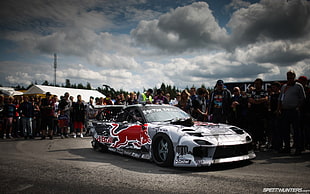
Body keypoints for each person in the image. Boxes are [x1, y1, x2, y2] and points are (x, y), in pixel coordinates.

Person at [277, 71, 306, 155]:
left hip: (294, 111)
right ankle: (287, 147)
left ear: (294, 76)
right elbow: (280, 98)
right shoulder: (284, 87)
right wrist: (279, 109)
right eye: (288, 76)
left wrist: (298, 107)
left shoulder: (298, 86)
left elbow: (303, 98)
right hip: (285, 111)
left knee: (296, 130)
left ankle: (298, 148)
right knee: (285, 130)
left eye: (290, 76)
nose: (289, 77)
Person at [248, 78, 269, 150]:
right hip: (253, 113)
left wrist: (256, 101)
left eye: (258, 84)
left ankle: (262, 143)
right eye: (255, 84)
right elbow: (250, 99)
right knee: (254, 129)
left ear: (261, 84)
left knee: (262, 128)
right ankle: (254, 143)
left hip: (262, 113)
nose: (256, 85)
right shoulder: (252, 92)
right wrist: (259, 101)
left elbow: (266, 99)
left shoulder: (264, 92)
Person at [297, 76, 310, 150]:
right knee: (300, 129)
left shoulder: (308, 90)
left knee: (306, 129)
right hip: (301, 111)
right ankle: (302, 144)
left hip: (306, 111)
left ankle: (306, 143)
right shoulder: (299, 89)